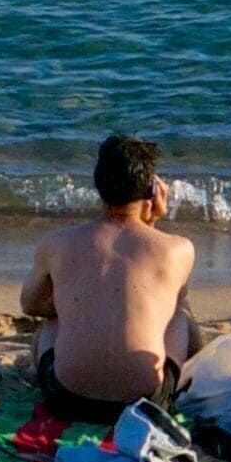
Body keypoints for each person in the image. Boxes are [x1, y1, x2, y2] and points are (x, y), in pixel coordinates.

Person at [20, 133, 200, 418]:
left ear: (97, 184)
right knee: (181, 315)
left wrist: (75, 304)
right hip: (143, 404)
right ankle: (190, 379)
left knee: (51, 323)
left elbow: (30, 305)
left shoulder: (57, 243)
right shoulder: (177, 249)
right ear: (152, 190)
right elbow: (166, 302)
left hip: (66, 398)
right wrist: (151, 223)